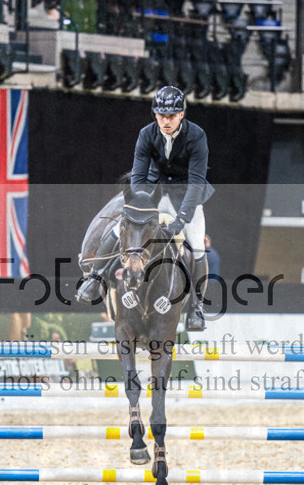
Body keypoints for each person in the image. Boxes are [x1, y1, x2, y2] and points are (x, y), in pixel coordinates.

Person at [76, 85, 214, 332]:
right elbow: (138, 175)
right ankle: (94, 278)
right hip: (154, 192)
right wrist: (138, 206)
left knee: (196, 246)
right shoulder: (146, 134)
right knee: (122, 229)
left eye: (171, 115)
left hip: (186, 196)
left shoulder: (197, 136)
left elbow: (196, 182)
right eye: (161, 115)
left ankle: (196, 308)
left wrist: (180, 220)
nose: (165, 120)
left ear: (181, 114)